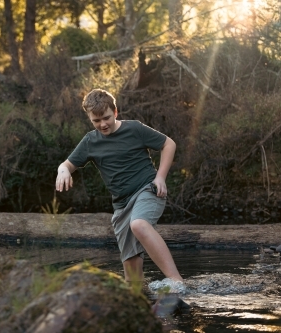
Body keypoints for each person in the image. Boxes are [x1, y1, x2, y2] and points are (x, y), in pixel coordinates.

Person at [55, 88, 184, 291]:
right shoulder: (90, 141)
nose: (103, 124)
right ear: (90, 119)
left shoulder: (134, 129)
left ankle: (177, 282)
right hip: (122, 206)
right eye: (96, 121)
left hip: (147, 190)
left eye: (106, 118)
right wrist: (63, 170)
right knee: (133, 282)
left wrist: (160, 178)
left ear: (115, 112)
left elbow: (169, 144)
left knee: (139, 225)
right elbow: (67, 164)